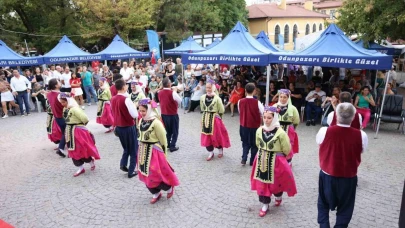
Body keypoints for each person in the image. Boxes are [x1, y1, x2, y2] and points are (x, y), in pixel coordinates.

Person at [316, 103, 368, 228]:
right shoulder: (361, 135)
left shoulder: (324, 131)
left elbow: (319, 143)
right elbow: (361, 150)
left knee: (323, 203)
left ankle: (324, 226)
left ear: (336, 115)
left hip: (327, 174)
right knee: (346, 207)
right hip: (348, 177)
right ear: (353, 116)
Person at [250, 106, 297, 217]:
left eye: (269, 118)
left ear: (274, 117)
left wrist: (279, 157)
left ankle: (278, 195)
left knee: (276, 183)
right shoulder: (259, 130)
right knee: (262, 183)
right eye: (264, 117)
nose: (266, 120)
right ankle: (265, 204)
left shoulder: (280, 133)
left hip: (276, 161)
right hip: (262, 159)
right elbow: (257, 143)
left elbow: (286, 148)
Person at [137, 98, 180, 203]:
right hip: (143, 151)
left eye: (143, 110)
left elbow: (163, 140)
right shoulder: (141, 120)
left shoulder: (156, 122)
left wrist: (164, 155)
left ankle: (168, 188)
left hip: (154, 152)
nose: (141, 113)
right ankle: (155, 193)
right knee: (145, 174)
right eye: (140, 110)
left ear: (150, 109)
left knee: (155, 174)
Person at [59, 93, 100, 177]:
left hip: (78, 131)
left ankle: (90, 161)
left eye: (64, 102)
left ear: (69, 101)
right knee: (73, 150)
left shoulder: (74, 109)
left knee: (82, 148)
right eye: (61, 102)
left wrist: (80, 126)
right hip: (69, 131)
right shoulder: (65, 109)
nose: (62, 104)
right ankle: (80, 167)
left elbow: (85, 118)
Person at [111, 79, 139, 178]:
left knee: (126, 148)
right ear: (123, 87)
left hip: (119, 127)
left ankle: (123, 164)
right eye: (126, 85)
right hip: (128, 126)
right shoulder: (126, 99)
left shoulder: (113, 98)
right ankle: (131, 171)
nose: (127, 86)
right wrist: (135, 106)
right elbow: (135, 115)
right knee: (134, 148)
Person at [199, 80, 230, 161]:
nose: (208, 89)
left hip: (214, 120)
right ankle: (210, 152)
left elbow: (222, 110)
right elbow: (202, 108)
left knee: (217, 135)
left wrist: (218, 116)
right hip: (205, 118)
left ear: (213, 88)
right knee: (206, 136)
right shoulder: (202, 97)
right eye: (207, 88)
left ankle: (220, 150)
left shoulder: (217, 98)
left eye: (209, 87)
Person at [238, 83, 264, 166]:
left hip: (243, 125)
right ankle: (252, 160)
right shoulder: (257, 102)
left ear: (245, 90)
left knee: (245, 142)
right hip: (254, 126)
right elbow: (263, 113)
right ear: (254, 91)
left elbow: (240, 111)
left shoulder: (240, 101)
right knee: (254, 144)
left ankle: (244, 157)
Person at [273, 89, 300, 165]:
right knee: (277, 143)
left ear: (288, 98)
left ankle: (288, 160)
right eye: (281, 97)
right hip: (277, 128)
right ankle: (277, 159)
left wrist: (292, 128)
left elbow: (296, 120)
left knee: (288, 144)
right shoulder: (274, 106)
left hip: (288, 128)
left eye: (284, 97)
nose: (282, 99)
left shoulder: (292, 108)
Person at [158, 78, 182, 152]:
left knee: (167, 131)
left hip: (164, 114)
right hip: (172, 114)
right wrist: (174, 91)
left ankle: (167, 144)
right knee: (175, 131)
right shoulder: (172, 93)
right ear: (169, 84)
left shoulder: (159, 92)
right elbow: (180, 100)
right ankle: (172, 146)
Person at [47, 79, 67, 157]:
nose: (60, 83)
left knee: (64, 132)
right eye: (58, 82)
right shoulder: (61, 94)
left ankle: (65, 146)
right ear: (56, 85)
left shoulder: (49, 94)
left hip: (56, 117)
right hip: (62, 116)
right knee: (67, 132)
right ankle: (61, 148)